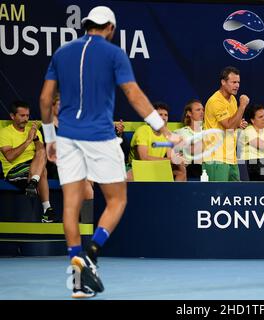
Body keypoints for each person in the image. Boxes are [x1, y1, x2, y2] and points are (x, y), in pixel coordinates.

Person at [39, 6, 179, 298]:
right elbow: (133, 94)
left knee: (70, 205)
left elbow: (44, 98)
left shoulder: (62, 52)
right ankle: (91, 251)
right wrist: (162, 129)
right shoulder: (114, 54)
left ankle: (77, 279)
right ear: (110, 29)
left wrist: (50, 137)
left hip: (66, 138)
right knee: (117, 200)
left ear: (87, 25)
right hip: (100, 138)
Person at [0, 101, 56, 223]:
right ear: (12, 116)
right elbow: (10, 157)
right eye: (22, 115)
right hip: (14, 170)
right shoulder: (4, 133)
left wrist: (35, 138)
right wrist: (28, 140)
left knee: (42, 153)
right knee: (43, 171)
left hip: (33, 167)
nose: (26, 119)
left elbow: (41, 152)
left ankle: (33, 183)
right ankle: (47, 210)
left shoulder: (33, 131)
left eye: (27, 115)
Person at [203, 66, 249, 181]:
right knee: (217, 195)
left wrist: (239, 123)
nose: (237, 85)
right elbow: (229, 126)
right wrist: (242, 106)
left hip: (231, 157)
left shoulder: (232, 99)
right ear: (223, 82)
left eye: (238, 82)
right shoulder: (215, 101)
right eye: (233, 82)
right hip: (215, 158)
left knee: (234, 195)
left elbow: (232, 122)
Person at [127, 102, 186, 181]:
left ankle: (176, 192)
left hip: (157, 167)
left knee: (181, 170)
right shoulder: (143, 130)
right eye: (160, 115)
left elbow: (170, 156)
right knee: (129, 176)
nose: (164, 117)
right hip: (138, 167)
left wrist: (178, 159)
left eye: (166, 115)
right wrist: (170, 160)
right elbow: (143, 158)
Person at [174, 99, 205, 180]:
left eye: (203, 110)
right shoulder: (181, 133)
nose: (202, 112)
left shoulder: (208, 131)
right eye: (198, 110)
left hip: (207, 167)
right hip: (189, 169)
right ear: (189, 113)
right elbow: (191, 151)